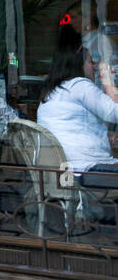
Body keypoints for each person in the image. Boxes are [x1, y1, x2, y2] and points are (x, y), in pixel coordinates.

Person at [37, 23, 118, 172]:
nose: (93, 65)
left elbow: (72, 129)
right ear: (77, 63)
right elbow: (115, 113)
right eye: (89, 61)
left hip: (62, 172)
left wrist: (105, 135)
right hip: (88, 168)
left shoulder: (51, 92)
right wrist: (108, 83)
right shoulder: (79, 85)